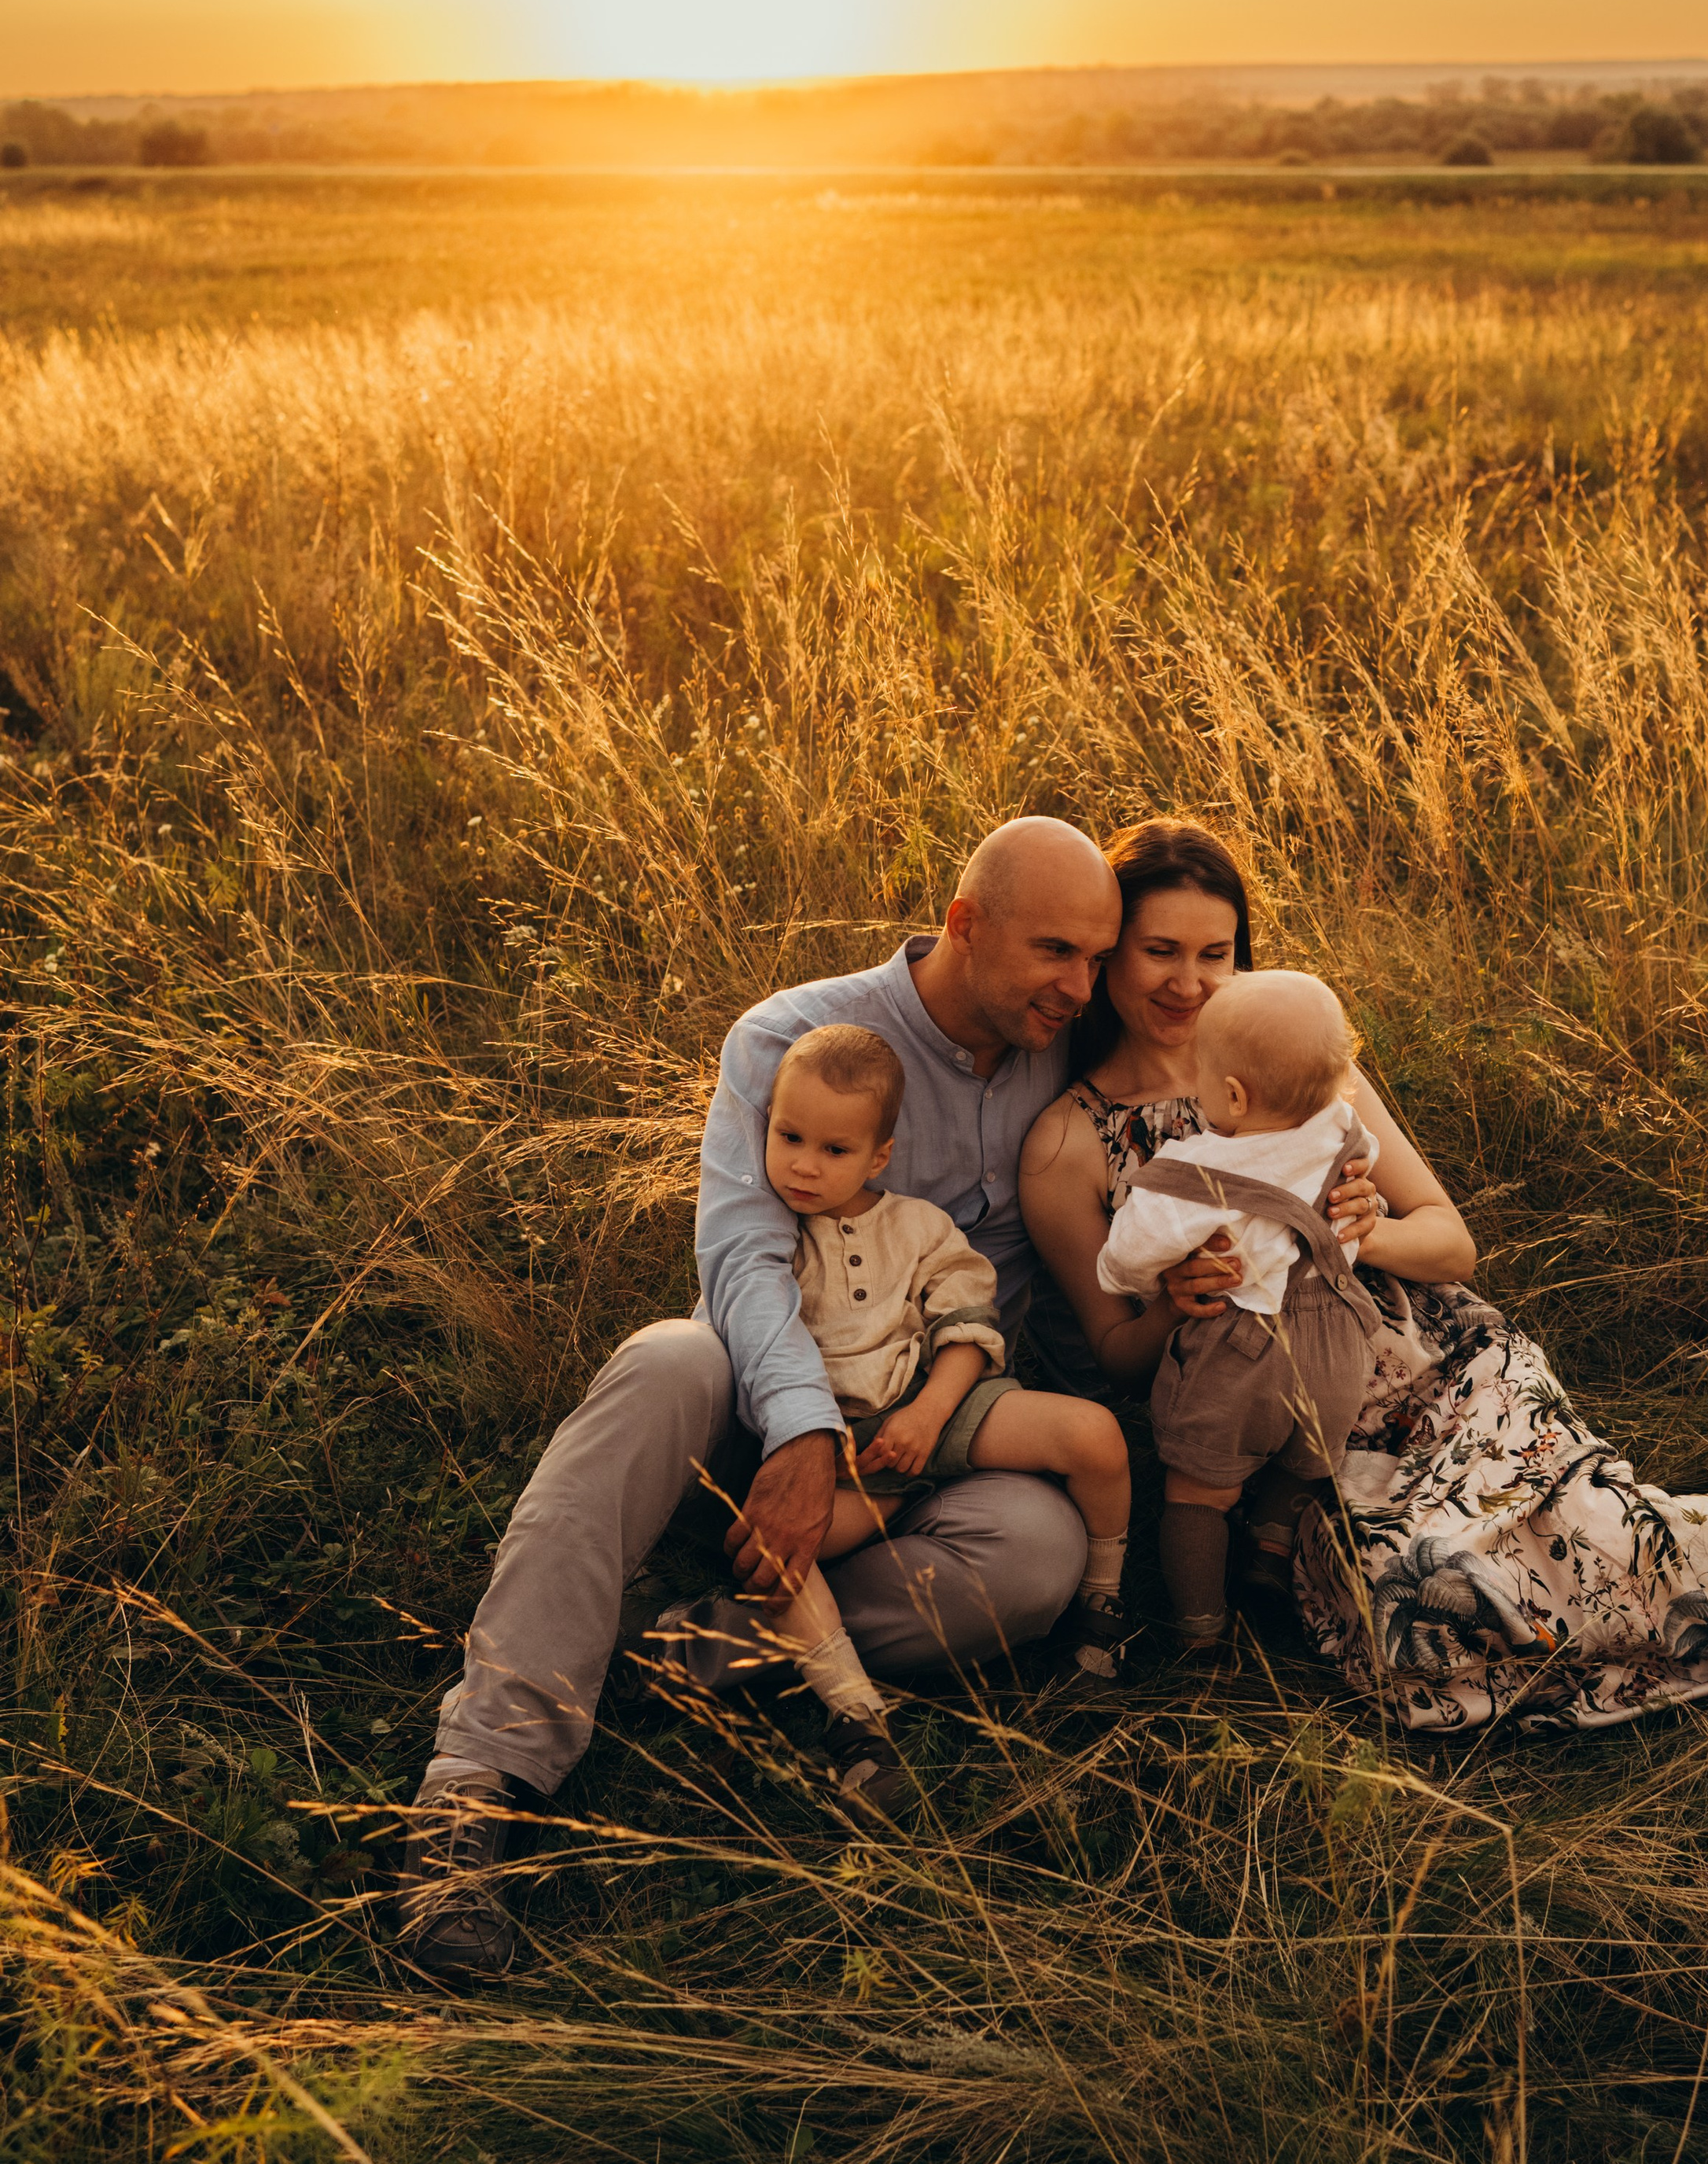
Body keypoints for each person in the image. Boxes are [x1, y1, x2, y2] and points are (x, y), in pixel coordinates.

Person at [1023, 815, 1708, 1736]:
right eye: (1160, 951)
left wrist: (1367, 1234)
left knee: (1588, 1528)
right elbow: (1112, 1355)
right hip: (1286, 1431)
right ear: (1110, 951)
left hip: (1441, 1362)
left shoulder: (1299, 1065)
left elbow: (1451, 1244)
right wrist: (1179, 1301)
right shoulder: (1070, 1141)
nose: (1189, 983)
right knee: (1428, 1606)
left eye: (1215, 953)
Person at [398, 814, 1131, 1981]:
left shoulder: (1069, 1043)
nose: (1080, 985)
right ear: (964, 925)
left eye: (1098, 957)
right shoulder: (791, 1038)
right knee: (662, 1360)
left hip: (921, 1433)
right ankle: (473, 1794)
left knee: (1038, 1554)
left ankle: (668, 1651)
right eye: (1055, 952)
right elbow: (739, 1265)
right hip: (751, 1407)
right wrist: (798, 1435)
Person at [742, 1019, 1131, 1812]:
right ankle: (856, 1725)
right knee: (778, 1553)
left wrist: (928, 1412)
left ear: (879, 1155)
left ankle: (1102, 1609)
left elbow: (966, 1323)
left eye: (835, 1150)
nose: (804, 1166)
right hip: (839, 1449)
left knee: (1094, 1434)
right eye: (789, 1137)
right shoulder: (761, 1244)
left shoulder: (918, 1227)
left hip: (935, 1404)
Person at [1095, 970, 1379, 1654]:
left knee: (1197, 1493)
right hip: (1338, 1347)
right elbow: (1363, 1183)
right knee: (1305, 1458)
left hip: (1243, 1355)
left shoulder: (1194, 1172)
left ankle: (1199, 1630)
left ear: (1232, 1095)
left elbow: (1129, 1257)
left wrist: (1132, 1274)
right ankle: (1272, 1549)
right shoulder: (1345, 1132)